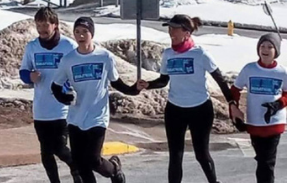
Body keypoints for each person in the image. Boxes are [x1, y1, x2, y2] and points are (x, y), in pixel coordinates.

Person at [136, 14, 243, 183]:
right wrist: (148, 85)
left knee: (201, 154)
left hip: (200, 109)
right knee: (175, 156)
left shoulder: (200, 54)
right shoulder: (168, 54)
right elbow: (164, 80)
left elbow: (220, 80)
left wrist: (232, 104)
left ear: (186, 33)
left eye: (174, 28)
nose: (171, 32)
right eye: (169, 28)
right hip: (175, 109)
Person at [51, 16, 143, 183]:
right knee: (80, 162)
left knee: (93, 159)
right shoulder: (69, 60)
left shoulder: (104, 57)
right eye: (77, 32)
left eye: (85, 31)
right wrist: (64, 98)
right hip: (75, 118)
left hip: (97, 117)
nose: (80, 35)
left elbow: (117, 83)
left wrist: (134, 89)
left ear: (91, 34)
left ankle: (114, 169)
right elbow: (55, 87)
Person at [19, 7, 82, 183]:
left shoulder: (68, 46)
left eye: (45, 25)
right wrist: (29, 76)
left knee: (59, 147)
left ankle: (75, 167)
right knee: (45, 151)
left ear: (55, 25)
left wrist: (68, 85)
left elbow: (76, 69)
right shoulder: (32, 47)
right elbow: (23, 70)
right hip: (41, 108)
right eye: (38, 26)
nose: (41, 30)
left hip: (62, 107)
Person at [231, 33, 286, 183]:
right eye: (262, 46)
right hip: (254, 123)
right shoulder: (249, 69)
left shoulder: (282, 72)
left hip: (275, 123)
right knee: (262, 160)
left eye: (270, 47)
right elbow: (235, 90)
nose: (265, 49)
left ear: (276, 51)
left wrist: (278, 104)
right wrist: (234, 109)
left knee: (266, 163)